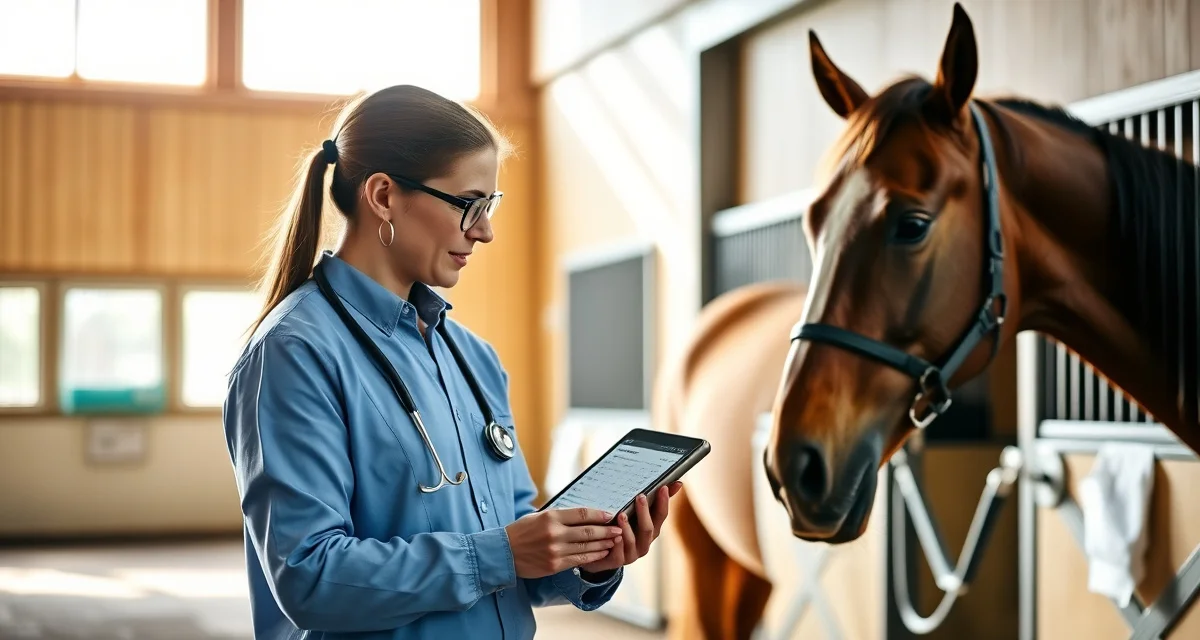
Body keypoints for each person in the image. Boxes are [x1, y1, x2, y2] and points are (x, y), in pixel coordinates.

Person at [221, 84, 681, 639]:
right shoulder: (293, 353)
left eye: (490, 206)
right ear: (384, 196)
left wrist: (586, 556)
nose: (485, 230)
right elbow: (309, 578)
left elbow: (516, 552)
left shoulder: (474, 359)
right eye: (469, 204)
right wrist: (499, 554)